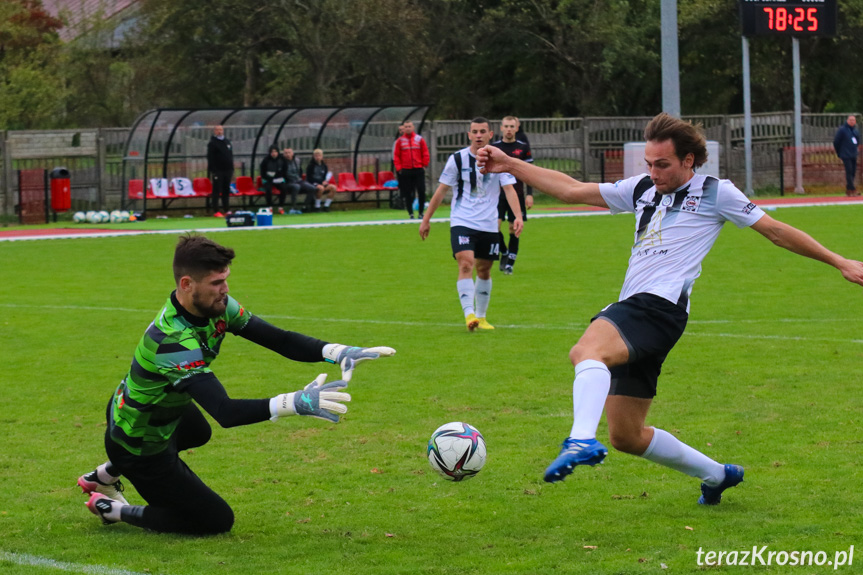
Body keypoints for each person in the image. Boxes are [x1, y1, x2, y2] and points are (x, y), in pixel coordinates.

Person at [477, 112, 863, 504]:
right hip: (645, 311)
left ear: (688, 161)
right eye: (649, 163)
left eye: (662, 164)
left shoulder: (717, 192)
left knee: (586, 351)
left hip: (658, 306)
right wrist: (509, 164)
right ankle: (717, 475)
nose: (654, 172)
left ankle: (579, 441)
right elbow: (572, 189)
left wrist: (840, 261)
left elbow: (776, 231)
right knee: (627, 435)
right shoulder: (643, 188)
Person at [77, 234, 396, 534]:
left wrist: (337, 352)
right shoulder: (172, 340)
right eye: (216, 283)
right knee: (214, 520)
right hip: (137, 441)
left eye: (226, 279)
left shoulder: (217, 306)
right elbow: (225, 411)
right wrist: (295, 402)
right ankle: (110, 508)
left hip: (141, 408)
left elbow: (279, 339)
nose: (225, 289)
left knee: (198, 432)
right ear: (187, 285)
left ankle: (104, 475)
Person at [419, 117, 523, 331]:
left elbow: (510, 190)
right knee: (466, 263)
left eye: (482, 131)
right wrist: (426, 219)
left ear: (490, 134)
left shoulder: (500, 160)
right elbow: (441, 190)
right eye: (474, 131)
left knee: (484, 270)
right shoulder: (457, 159)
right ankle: (469, 315)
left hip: (488, 224)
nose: (478, 135)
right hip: (462, 221)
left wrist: (518, 216)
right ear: (469, 135)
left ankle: (482, 317)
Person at [492, 116, 534, 274]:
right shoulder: (494, 147)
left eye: (512, 126)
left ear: (517, 128)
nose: (509, 129)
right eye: (506, 126)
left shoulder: (523, 147)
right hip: (497, 195)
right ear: (501, 128)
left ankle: (510, 262)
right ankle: (504, 251)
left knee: (513, 227)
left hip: (517, 193)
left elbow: (529, 172)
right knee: (494, 227)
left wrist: (529, 194)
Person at [393, 120, 430, 219]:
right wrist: (399, 168)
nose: (408, 128)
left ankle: (421, 212)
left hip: (418, 169)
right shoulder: (400, 141)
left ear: (413, 127)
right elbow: (396, 156)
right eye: (406, 127)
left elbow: (425, 152)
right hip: (406, 170)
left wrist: (424, 164)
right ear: (403, 129)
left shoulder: (419, 139)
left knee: (421, 190)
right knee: (408, 192)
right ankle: (411, 213)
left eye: (410, 126)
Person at [207, 125, 234, 215]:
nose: (219, 131)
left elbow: (230, 155)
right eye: (217, 130)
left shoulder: (227, 141)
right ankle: (216, 210)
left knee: (226, 190)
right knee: (217, 190)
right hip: (218, 170)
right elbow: (210, 157)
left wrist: (231, 168)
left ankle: (226, 209)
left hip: (228, 170)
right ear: (214, 131)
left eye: (221, 130)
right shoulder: (212, 143)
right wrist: (213, 170)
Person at [833, 114, 860, 197]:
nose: (852, 122)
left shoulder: (855, 131)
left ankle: (849, 189)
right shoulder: (842, 130)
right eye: (850, 120)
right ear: (847, 121)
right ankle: (853, 189)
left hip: (853, 154)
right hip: (845, 154)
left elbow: (857, 141)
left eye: (853, 120)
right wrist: (839, 152)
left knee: (853, 172)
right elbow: (836, 142)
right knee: (849, 171)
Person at [282, 148, 316, 214]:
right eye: (286, 153)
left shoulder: (297, 160)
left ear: (292, 153)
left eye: (289, 152)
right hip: (288, 182)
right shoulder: (282, 162)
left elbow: (300, 171)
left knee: (312, 188)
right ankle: (293, 208)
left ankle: (304, 207)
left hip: (298, 180)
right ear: (283, 154)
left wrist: (299, 178)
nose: (287, 154)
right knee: (296, 187)